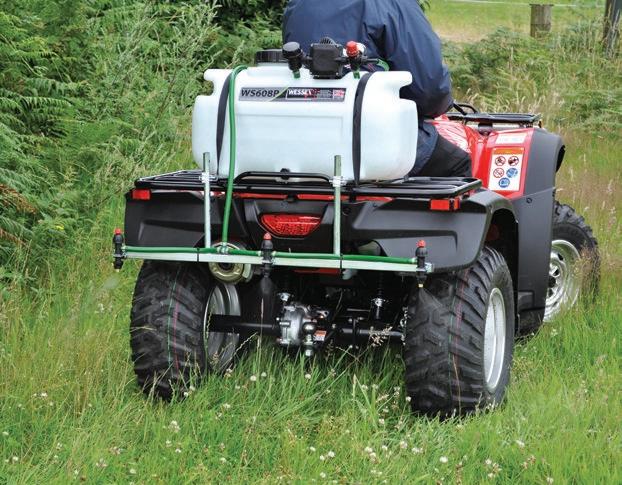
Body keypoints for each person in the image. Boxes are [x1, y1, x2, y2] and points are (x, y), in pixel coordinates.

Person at [282, 0, 472, 178]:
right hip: (370, 133)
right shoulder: (391, 4)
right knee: (458, 164)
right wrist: (434, 106)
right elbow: (428, 89)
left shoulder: (297, 4)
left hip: (301, 133)